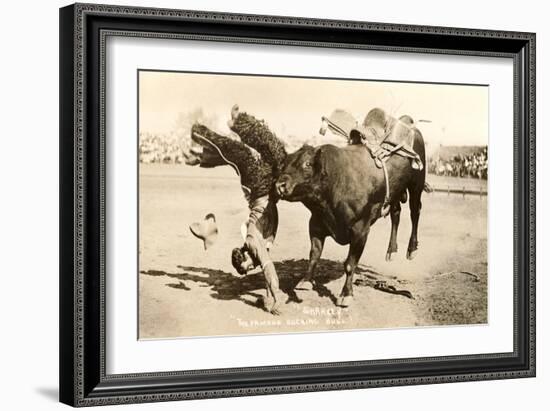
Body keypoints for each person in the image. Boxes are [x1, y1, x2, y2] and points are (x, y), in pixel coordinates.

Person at [186, 105, 287, 314]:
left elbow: (270, 271)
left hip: (258, 188)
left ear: (245, 256)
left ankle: (199, 133)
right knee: (274, 150)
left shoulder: (252, 242)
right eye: (248, 270)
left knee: (237, 153)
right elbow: (267, 270)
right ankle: (237, 122)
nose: (251, 269)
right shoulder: (260, 247)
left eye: (246, 268)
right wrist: (268, 298)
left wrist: (276, 298)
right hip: (268, 190)